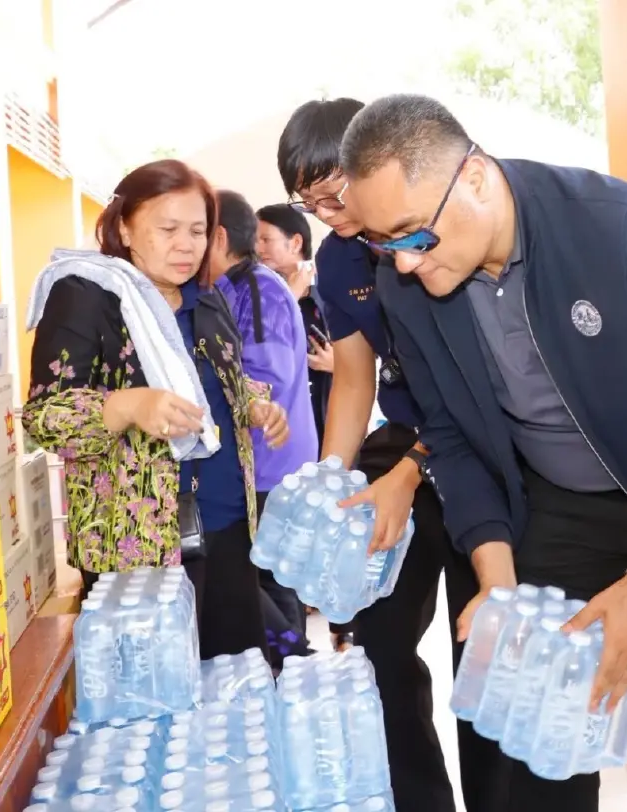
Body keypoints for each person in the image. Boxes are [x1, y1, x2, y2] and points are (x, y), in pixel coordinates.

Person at [341, 93, 627, 812]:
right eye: (381, 244)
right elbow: (452, 435)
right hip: (562, 501)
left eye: (411, 236)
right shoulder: (408, 284)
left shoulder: (615, 225)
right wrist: (498, 575)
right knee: (546, 714)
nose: (403, 264)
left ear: (475, 179)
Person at [277, 97, 491, 812]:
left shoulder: (431, 233)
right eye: (308, 199)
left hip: (480, 451)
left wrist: (410, 472)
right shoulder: (339, 260)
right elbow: (353, 377)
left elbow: (473, 387)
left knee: (483, 651)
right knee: (380, 647)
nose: (327, 207)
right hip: (405, 443)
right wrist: (332, 481)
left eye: (333, 185)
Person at [23, 160, 288, 661]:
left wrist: (253, 405)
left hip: (229, 526)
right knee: (154, 707)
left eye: (198, 231)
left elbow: (219, 382)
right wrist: (127, 405)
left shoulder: (207, 302)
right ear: (124, 226)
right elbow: (45, 418)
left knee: (233, 691)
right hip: (137, 549)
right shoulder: (86, 296)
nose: (186, 245)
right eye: (167, 229)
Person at [211, 190, 319, 664]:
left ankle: (292, 669)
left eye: (194, 231)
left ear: (217, 237)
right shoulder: (238, 285)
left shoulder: (256, 288)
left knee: (273, 580)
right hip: (262, 464)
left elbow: (266, 378)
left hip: (271, 464)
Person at [256, 203, 332, 446]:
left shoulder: (331, 290)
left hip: (326, 423)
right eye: (255, 240)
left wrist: (340, 367)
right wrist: (291, 295)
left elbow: (377, 360)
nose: (258, 248)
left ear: (295, 243)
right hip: (279, 430)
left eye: (266, 239)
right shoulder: (257, 294)